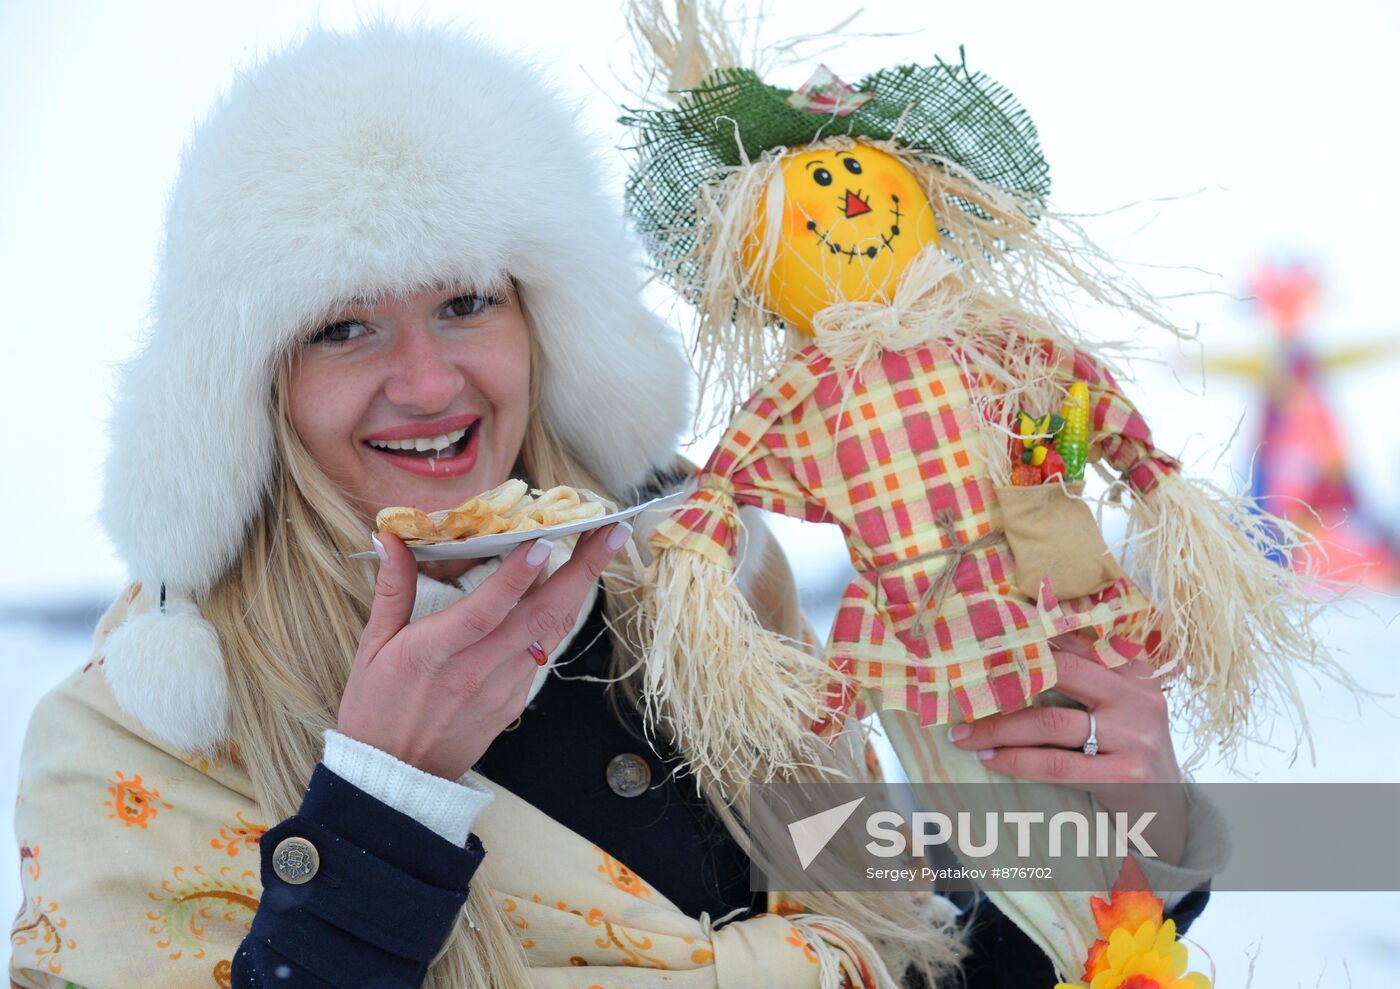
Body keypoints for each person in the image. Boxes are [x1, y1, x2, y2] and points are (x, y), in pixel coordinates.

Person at [9, 21, 1224, 989]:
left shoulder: (696, 590)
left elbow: (920, 956)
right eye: (344, 326)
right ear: (251, 386)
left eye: (469, 301)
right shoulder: (144, 736)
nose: (430, 381)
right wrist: (383, 799)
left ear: (547, 319)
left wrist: (1120, 853)